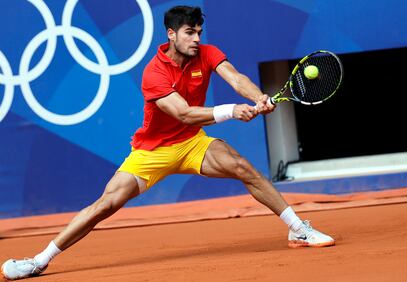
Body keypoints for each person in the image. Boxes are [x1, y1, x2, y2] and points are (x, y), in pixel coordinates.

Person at [1, 6, 334, 280]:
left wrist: (258, 96)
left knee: (244, 167)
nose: (196, 39)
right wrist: (232, 111)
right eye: (189, 32)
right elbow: (185, 114)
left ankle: (297, 229)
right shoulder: (153, 74)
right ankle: (39, 261)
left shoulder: (207, 54)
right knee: (104, 205)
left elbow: (235, 77)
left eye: (199, 32)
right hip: (151, 152)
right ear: (171, 34)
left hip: (192, 145)